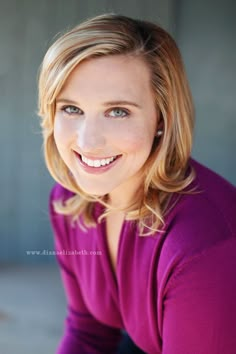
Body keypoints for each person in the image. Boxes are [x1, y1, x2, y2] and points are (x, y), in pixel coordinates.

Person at [38, 13, 236, 354]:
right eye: (71, 109)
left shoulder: (202, 245)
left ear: (162, 118)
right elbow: (89, 333)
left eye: (117, 111)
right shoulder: (68, 201)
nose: (88, 142)